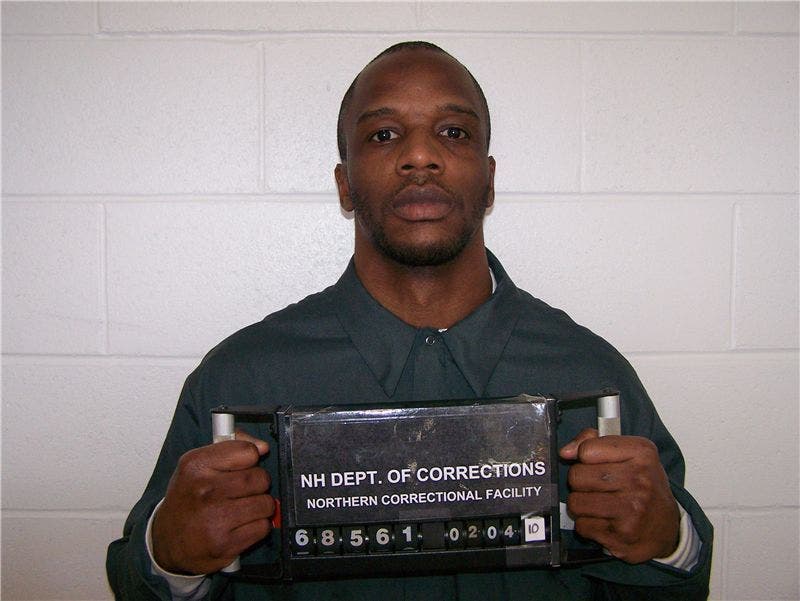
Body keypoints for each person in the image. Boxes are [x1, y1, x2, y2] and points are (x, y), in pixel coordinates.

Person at [107, 41, 713, 600]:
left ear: (489, 180)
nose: (420, 156)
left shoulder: (591, 378)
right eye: (383, 135)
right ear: (345, 185)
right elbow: (140, 581)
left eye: (453, 132)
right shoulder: (240, 382)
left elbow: (678, 582)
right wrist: (170, 557)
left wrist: (669, 541)